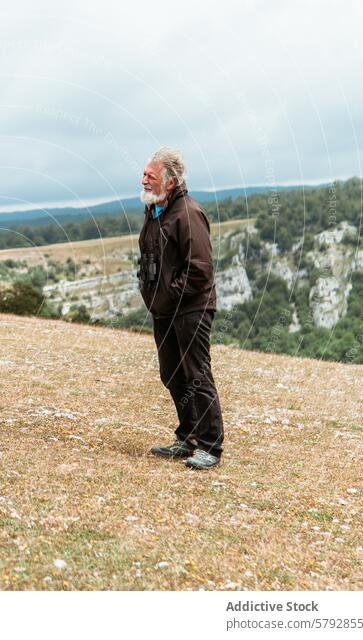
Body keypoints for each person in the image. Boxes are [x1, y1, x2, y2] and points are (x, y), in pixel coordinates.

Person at [137, 147, 224, 470]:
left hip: (191, 309)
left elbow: (200, 270)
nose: (144, 179)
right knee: (172, 374)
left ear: (170, 182)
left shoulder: (188, 213)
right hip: (164, 311)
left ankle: (211, 446)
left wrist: (169, 297)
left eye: (151, 175)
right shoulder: (155, 212)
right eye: (144, 173)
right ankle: (187, 437)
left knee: (196, 374)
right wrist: (150, 294)